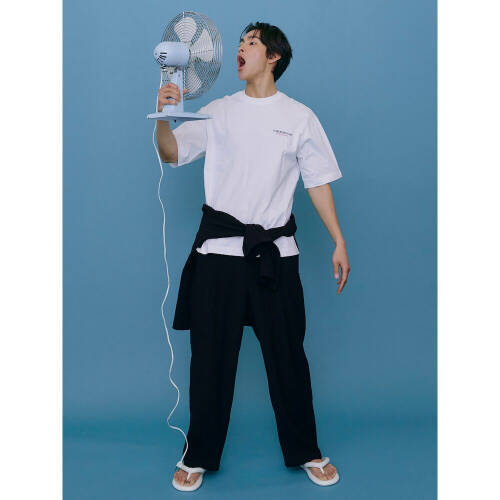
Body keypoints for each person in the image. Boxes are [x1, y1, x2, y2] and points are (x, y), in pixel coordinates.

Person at [155, 21, 350, 491]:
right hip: (218, 255)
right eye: (240, 42)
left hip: (274, 257)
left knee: (288, 358)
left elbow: (317, 181)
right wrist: (162, 116)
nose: (240, 48)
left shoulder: (299, 117)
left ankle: (306, 450)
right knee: (209, 360)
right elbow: (171, 153)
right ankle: (198, 454)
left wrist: (339, 240)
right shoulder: (217, 112)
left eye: (252, 42)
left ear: (274, 57)